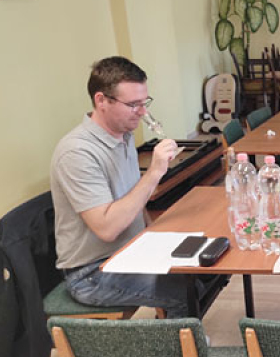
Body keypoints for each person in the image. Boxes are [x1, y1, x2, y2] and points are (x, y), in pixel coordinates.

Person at [50, 56, 193, 318]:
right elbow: (107, 229)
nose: (142, 112)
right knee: (182, 289)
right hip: (92, 272)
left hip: (131, 250)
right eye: (133, 104)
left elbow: (133, 197)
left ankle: (180, 335)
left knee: (204, 264)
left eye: (144, 102)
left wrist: (156, 237)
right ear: (101, 101)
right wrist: (155, 172)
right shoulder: (77, 153)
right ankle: (179, 342)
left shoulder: (123, 135)